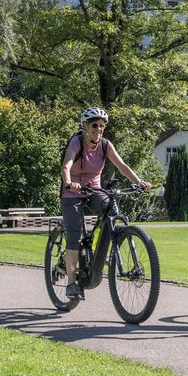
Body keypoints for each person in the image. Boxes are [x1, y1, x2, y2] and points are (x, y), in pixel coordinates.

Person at [60, 107, 151, 299]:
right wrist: (69, 183)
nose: (99, 129)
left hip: (94, 189)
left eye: (102, 126)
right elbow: (67, 165)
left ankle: (98, 251)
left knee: (111, 211)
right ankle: (71, 282)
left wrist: (139, 183)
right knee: (75, 235)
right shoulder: (77, 142)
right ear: (85, 126)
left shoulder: (105, 145)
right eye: (94, 125)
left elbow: (122, 166)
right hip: (73, 192)